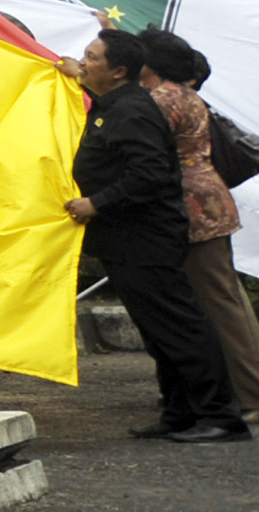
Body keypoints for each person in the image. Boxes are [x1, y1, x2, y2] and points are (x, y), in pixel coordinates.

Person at [65, 27, 245, 441]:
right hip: (125, 239)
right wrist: (74, 71)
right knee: (157, 330)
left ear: (119, 70)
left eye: (92, 57)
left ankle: (219, 415)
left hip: (146, 237)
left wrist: (98, 202)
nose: (84, 61)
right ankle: (179, 411)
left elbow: (149, 174)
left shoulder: (133, 111)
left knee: (179, 326)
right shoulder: (115, 102)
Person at [140, 31, 259, 425]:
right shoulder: (182, 94)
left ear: (150, 63)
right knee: (219, 303)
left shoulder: (164, 99)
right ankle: (242, 393)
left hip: (193, 210)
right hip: (208, 205)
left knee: (218, 306)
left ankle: (256, 396)